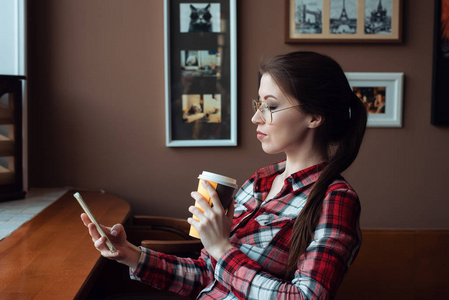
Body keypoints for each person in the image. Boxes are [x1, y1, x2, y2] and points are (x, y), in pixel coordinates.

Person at [81, 51, 367, 299]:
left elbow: (304, 297)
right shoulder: (259, 182)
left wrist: (221, 247)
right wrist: (129, 253)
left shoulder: (336, 199)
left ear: (314, 117)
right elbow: (207, 274)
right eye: (259, 104)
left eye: (271, 106)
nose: (256, 117)